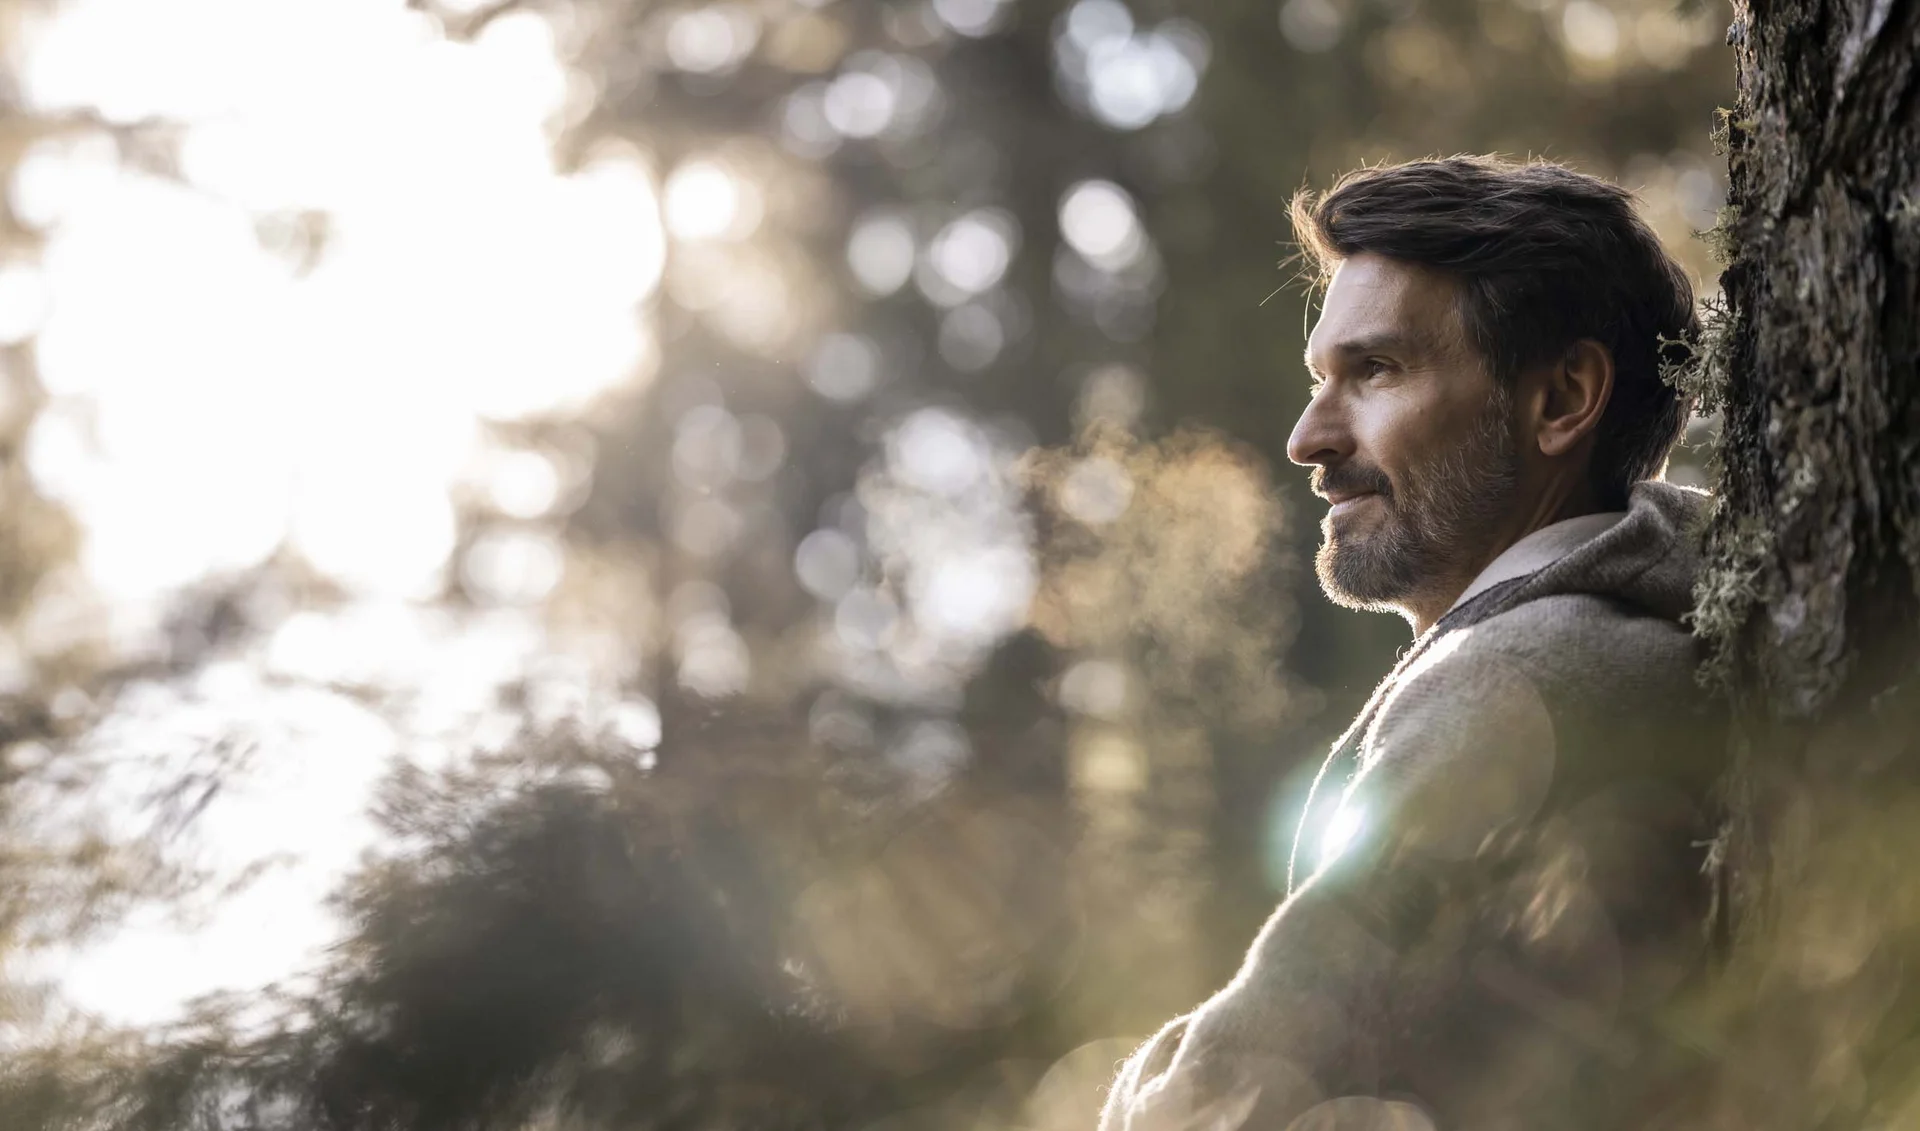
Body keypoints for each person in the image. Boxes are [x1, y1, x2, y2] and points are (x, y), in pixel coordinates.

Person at [1099, 156, 1727, 1131]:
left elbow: (1233, 1103)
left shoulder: (1525, 674)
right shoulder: (1586, 633)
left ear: (1562, 400)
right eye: (1320, 380)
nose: (1308, 436)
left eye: (1376, 371)